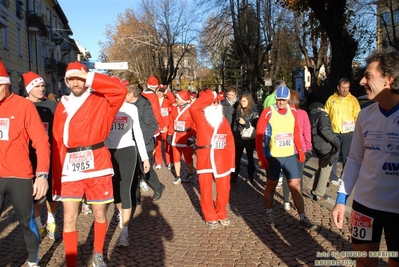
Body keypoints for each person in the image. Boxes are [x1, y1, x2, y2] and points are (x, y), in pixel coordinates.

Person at [52, 61, 126, 267]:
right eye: (72, 78)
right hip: (70, 166)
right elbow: (57, 139)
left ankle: (98, 253)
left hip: (97, 162)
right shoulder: (62, 104)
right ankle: (71, 262)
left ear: (86, 79)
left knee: (100, 213)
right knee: (68, 218)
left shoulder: (102, 100)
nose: (76, 82)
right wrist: (55, 174)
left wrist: (90, 77)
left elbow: (120, 89)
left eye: (79, 78)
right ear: (66, 81)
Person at [332, 50, 399, 267]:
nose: (361, 81)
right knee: (364, 263)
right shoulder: (365, 115)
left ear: (389, 79)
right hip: (364, 206)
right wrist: (341, 199)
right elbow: (354, 159)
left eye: (368, 76)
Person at [0, 61, 50, 267]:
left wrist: (42, 175)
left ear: (7, 83)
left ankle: (32, 261)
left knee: (25, 222)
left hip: (19, 175)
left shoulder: (24, 105)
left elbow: (41, 141)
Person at [255, 85, 316, 230]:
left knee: (295, 185)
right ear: (275, 98)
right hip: (273, 156)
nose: (281, 102)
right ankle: (269, 213)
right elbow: (259, 135)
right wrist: (261, 156)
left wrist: (300, 150)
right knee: (271, 184)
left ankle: (302, 217)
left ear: (288, 99)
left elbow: (295, 131)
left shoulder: (293, 111)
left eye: (283, 100)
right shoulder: (268, 112)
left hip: (289, 155)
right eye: (278, 100)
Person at [105, 82, 150, 247]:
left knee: (125, 189)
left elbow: (137, 132)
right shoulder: (105, 106)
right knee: (115, 190)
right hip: (108, 151)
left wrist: (144, 158)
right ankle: (120, 212)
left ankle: (124, 231)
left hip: (127, 151)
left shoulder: (131, 108)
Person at [190, 89, 235, 229]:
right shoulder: (200, 117)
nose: (216, 104)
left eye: (217, 102)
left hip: (222, 159)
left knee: (224, 188)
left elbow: (230, 142)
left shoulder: (224, 121)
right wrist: (212, 95)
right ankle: (209, 214)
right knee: (205, 189)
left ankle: (221, 212)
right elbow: (193, 107)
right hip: (205, 158)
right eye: (213, 102)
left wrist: (231, 163)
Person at [23, 71, 60, 241]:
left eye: (42, 86)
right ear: (29, 88)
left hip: (50, 153)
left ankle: (51, 220)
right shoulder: (22, 106)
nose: (41, 89)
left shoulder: (52, 105)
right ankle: (38, 224)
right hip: (28, 155)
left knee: (52, 191)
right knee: (34, 194)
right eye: (37, 86)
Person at [128, 83, 165, 204]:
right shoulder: (127, 105)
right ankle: (136, 197)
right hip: (132, 143)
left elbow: (153, 125)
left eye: (125, 94)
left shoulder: (143, 105)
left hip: (145, 144)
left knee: (145, 170)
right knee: (134, 170)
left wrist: (143, 140)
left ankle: (159, 187)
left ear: (131, 94)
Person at [324, 78, 361, 185]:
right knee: (334, 155)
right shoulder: (331, 99)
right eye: (343, 88)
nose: (345, 90)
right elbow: (326, 114)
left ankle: (346, 176)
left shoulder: (353, 100)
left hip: (348, 133)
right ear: (338, 87)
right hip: (334, 132)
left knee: (347, 156)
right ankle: (333, 177)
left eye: (347, 88)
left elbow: (358, 116)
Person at [281, 90, 312, 210]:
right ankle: (298, 200)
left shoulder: (283, 113)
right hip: (300, 149)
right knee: (298, 175)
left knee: (286, 175)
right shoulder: (302, 113)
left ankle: (286, 201)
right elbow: (306, 132)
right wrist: (309, 147)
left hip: (286, 148)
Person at [303, 102, 339, 202]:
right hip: (326, 145)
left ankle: (309, 187)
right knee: (326, 169)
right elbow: (324, 129)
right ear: (321, 108)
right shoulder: (322, 115)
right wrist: (334, 141)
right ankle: (319, 193)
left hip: (318, 146)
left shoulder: (311, 117)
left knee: (322, 167)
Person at [167, 90, 196, 185]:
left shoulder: (191, 109)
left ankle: (191, 173)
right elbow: (171, 122)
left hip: (186, 136)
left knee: (188, 158)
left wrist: (192, 137)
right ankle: (178, 176)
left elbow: (194, 125)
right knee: (176, 158)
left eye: (177, 98)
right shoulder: (174, 108)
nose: (175, 99)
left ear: (183, 99)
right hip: (176, 136)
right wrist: (170, 134)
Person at [231, 93, 259, 184]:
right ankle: (234, 177)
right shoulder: (238, 110)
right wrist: (234, 134)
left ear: (249, 101)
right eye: (241, 101)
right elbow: (234, 124)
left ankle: (251, 177)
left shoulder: (253, 112)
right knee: (237, 158)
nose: (242, 102)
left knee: (250, 159)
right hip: (238, 138)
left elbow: (256, 126)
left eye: (244, 101)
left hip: (249, 138)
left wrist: (245, 123)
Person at [154, 84, 175, 171]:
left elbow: (173, 99)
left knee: (168, 145)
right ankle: (158, 162)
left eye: (162, 91)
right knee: (157, 145)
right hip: (157, 126)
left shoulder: (167, 100)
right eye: (159, 91)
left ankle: (169, 162)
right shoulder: (154, 100)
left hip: (166, 126)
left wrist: (166, 91)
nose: (160, 93)